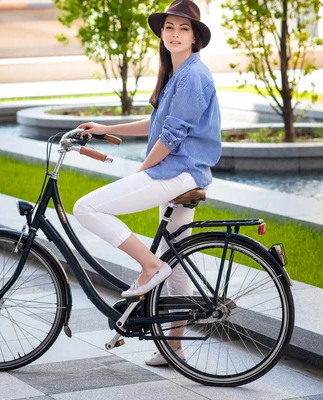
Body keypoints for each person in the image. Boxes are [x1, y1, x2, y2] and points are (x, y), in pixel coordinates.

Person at [73, 0, 221, 365]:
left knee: (86, 207)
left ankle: (151, 267)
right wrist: (105, 128)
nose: (175, 34)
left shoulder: (193, 76)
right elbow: (155, 124)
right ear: (161, 33)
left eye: (184, 29)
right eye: (170, 27)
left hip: (178, 170)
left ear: (195, 38)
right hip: (182, 170)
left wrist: (141, 173)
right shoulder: (177, 74)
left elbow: (169, 139)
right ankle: (174, 346)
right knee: (179, 257)